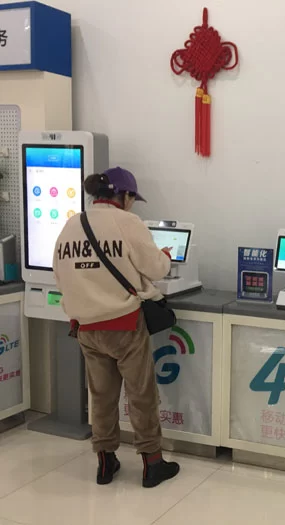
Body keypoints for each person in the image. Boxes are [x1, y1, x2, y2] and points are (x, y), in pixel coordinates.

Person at [53, 167, 180, 488]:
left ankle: (105, 462)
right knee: (141, 395)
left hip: (86, 328)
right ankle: (152, 464)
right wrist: (165, 257)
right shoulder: (127, 222)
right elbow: (156, 268)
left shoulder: (71, 224)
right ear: (124, 196)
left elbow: (60, 274)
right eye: (132, 198)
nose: (133, 204)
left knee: (101, 396)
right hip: (124, 325)